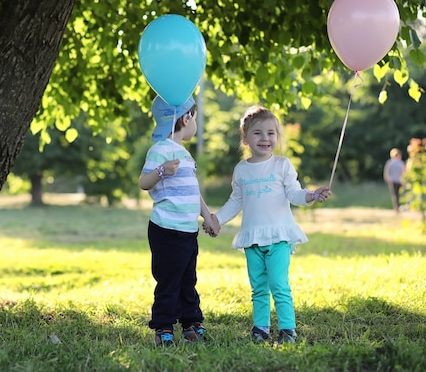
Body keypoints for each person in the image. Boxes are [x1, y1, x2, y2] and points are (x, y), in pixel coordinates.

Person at [203, 105, 331, 345]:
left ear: (277, 136)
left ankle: (287, 329)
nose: (265, 138)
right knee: (259, 286)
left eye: (271, 133)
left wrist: (311, 195)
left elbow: (294, 194)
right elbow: (236, 201)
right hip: (252, 238)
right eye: (258, 133)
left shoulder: (282, 165)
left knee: (278, 283)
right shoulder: (241, 170)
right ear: (245, 139)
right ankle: (260, 327)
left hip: (279, 236)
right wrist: (216, 219)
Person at [139, 95, 218, 347]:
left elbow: (193, 191)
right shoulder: (159, 150)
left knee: (188, 279)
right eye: (195, 117)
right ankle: (163, 327)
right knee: (169, 280)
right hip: (166, 229)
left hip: (187, 230)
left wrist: (208, 217)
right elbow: (143, 182)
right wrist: (162, 170)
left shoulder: (184, 154)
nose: (195, 123)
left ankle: (191, 324)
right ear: (186, 118)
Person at [383, 148, 406, 213]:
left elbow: (404, 172)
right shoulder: (394, 163)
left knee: (397, 194)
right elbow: (387, 172)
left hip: (398, 180)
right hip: (395, 180)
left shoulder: (392, 163)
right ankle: (397, 207)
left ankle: (397, 207)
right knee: (396, 194)